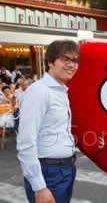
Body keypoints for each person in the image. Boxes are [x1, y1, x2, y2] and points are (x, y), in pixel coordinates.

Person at [17, 40, 80, 203]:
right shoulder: (40, 91)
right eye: (66, 59)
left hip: (64, 168)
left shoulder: (60, 91)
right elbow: (25, 142)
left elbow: (58, 131)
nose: (72, 65)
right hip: (49, 172)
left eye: (75, 60)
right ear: (51, 62)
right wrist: (39, 187)